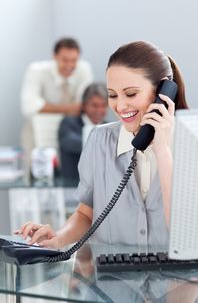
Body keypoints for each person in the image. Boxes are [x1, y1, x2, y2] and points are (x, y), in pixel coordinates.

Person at [16, 41, 188, 249]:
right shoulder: (100, 140)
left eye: (131, 93)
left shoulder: (190, 144)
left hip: (177, 279)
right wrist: (59, 238)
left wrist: (163, 150)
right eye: (113, 95)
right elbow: (85, 213)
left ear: (163, 92)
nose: (120, 105)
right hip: (114, 280)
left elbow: (186, 232)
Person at [20, 37, 93, 173]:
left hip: (69, 134)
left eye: (74, 60)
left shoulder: (84, 69)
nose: (69, 65)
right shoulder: (37, 70)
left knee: (70, 175)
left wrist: (44, 108)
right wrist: (69, 109)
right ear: (54, 57)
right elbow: (28, 107)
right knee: (36, 175)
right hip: (37, 136)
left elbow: (84, 107)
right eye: (65, 60)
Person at [58, 82, 108, 181]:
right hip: (72, 184)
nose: (99, 110)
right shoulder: (68, 123)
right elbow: (72, 143)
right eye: (95, 105)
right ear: (84, 105)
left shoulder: (109, 126)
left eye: (103, 105)